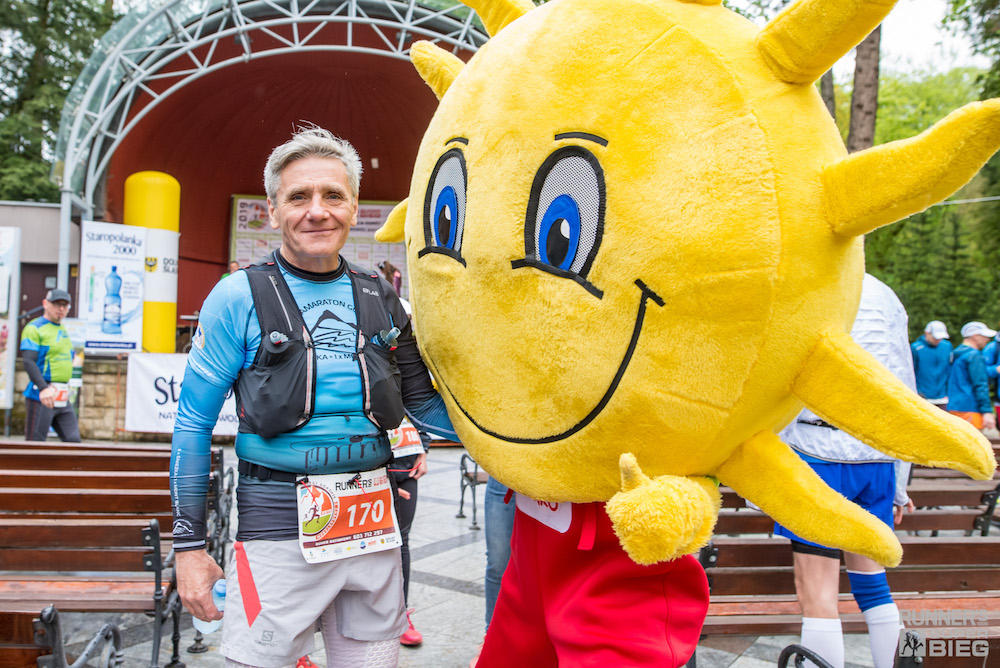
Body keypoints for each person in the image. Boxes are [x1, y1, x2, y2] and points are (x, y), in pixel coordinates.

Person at [170, 126, 456, 668]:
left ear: (354, 208)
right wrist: (189, 548)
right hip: (275, 524)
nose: (317, 211)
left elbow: (424, 407)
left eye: (333, 196)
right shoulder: (236, 297)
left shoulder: (380, 294)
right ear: (273, 211)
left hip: (372, 520)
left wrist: (521, 443)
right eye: (299, 197)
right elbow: (192, 425)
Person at [774, 274, 915, 668]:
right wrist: (901, 484)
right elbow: (905, 382)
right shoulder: (886, 294)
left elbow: (779, 374)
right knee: (873, 585)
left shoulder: (804, 281)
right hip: (876, 454)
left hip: (814, 451)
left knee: (818, 594)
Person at [21, 288, 80, 442]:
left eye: (65, 305)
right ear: (45, 304)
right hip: (43, 395)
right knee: (36, 445)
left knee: (74, 442)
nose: (61, 309)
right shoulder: (34, 328)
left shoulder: (62, 329)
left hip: (62, 396)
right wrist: (43, 388)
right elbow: (28, 361)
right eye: (56, 304)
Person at [470, 476, 516, 666]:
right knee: (498, 562)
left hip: (546, 476)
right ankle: (492, 637)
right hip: (504, 477)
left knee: (543, 565)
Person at [946, 321, 998, 432]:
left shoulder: (955, 353)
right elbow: (980, 384)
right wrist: (987, 411)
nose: (988, 339)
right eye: (985, 336)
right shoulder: (974, 356)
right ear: (975, 336)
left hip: (955, 406)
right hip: (971, 408)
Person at [910, 320, 951, 407]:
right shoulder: (916, 348)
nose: (938, 340)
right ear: (927, 333)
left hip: (943, 397)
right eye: (935, 337)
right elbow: (911, 371)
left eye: (940, 338)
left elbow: (949, 370)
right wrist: (918, 391)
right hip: (923, 397)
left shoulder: (946, 346)